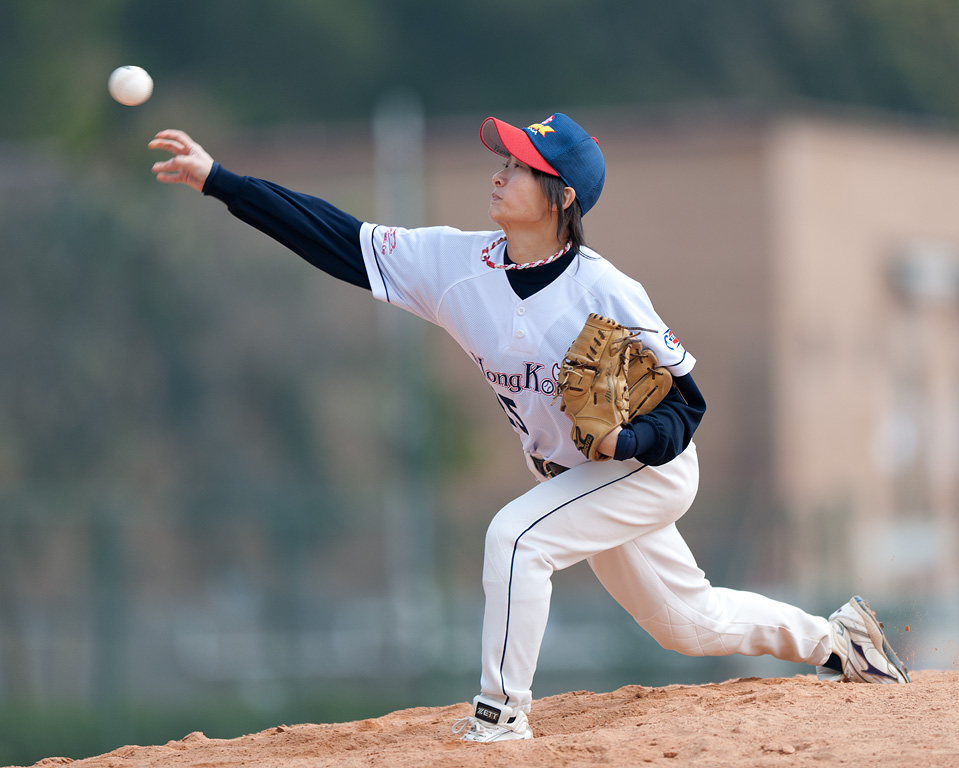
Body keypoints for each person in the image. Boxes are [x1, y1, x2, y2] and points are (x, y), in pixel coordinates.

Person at [149, 112, 910, 743]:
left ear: (560, 196)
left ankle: (501, 717)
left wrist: (627, 441)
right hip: (578, 479)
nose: (500, 171)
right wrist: (222, 181)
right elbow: (337, 239)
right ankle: (841, 639)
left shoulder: (604, 290)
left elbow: (687, 405)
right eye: (505, 158)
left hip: (647, 470)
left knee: (517, 539)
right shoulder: (456, 265)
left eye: (519, 164)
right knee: (688, 621)